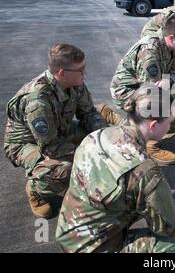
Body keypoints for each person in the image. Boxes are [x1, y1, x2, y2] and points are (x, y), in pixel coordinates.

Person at [55, 85, 175, 253]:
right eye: (169, 122)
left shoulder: (96, 136)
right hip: (97, 248)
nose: (169, 128)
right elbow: (168, 227)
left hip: (69, 234)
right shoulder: (145, 170)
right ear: (153, 125)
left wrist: (163, 198)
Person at [3, 43, 107, 218]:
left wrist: (105, 141)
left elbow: (88, 113)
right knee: (64, 169)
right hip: (25, 144)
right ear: (62, 73)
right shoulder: (37, 100)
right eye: (80, 70)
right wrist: (90, 154)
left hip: (59, 130)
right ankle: (35, 188)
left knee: (103, 138)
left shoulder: (76, 83)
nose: (85, 73)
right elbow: (51, 146)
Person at [108, 14, 175, 166]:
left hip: (144, 88)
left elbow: (174, 73)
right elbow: (151, 98)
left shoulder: (173, 47)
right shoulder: (150, 52)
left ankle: (117, 120)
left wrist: (168, 80)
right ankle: (149, 145)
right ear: (171, 37)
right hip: (126, 92)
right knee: (171, 110)